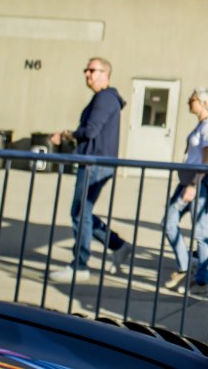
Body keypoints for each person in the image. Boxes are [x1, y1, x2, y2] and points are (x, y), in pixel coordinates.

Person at [49, 57, 132, 283]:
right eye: (85, 70)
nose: (87, 74)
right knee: (82, 213)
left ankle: (80, 265)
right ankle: (118, 245)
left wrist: (67, 134)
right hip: (98, 163)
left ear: (105, 74)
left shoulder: (105, 98)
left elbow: (91, 131)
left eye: (92, 70)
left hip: (95, 164)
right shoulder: (105, 98)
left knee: (80, 213)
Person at [163, 88, 208, 295]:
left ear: (204, 103)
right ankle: (185, 266)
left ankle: (202, 282)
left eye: (193, 99)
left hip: (200, 182)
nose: (190, 102)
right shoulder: (201, 125)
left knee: (201, 229)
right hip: (188, 181)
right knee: (169, 222)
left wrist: (195, 185)